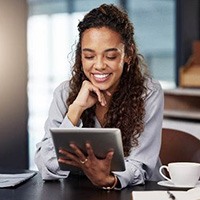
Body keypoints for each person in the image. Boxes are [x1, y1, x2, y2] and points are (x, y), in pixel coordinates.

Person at [35, 3, 164, 190]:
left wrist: (110, 180)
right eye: (89, 56)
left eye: (110, 56)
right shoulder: (65, 92)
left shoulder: (148, 92)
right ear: (80, 57)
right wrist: (76, 109)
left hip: (136, 192)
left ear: (127, 54)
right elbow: (46, 166)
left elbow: (141, 164)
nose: (99, 65)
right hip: (82, 192)